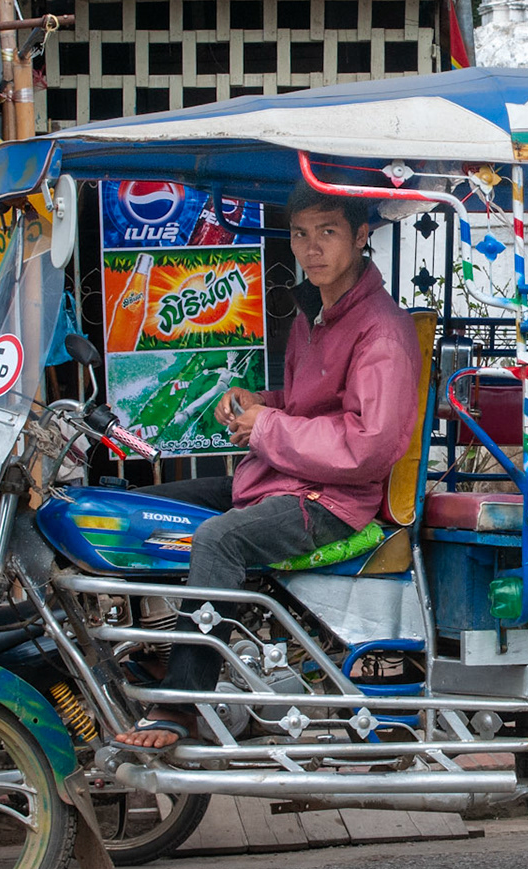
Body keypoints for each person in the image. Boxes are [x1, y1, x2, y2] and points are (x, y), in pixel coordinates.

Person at [114, 183, 420, 749]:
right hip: (284, 478)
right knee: (137, 509)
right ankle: (148, 650)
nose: (312, 249)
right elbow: (312, 407)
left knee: (218, 541)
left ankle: (183, 702)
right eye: (301, 235)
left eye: (327, 232)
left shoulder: (381, 329)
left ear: (360, 236)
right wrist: (260, 401)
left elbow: (369, 444)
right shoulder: (315, 314)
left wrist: (267, 426)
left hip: (332, 503)